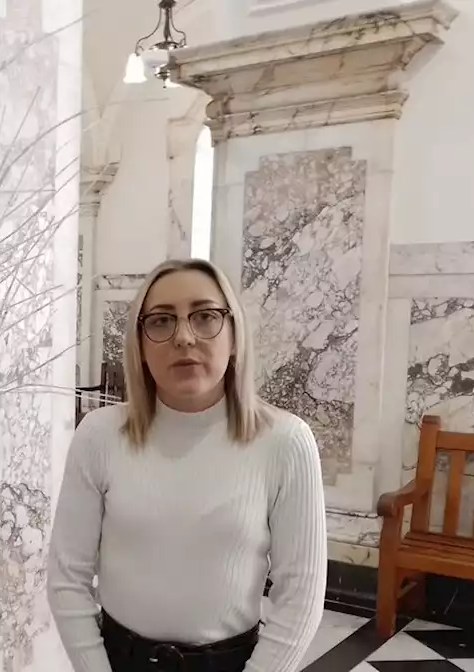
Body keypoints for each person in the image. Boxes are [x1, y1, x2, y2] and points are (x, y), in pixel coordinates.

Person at [48, 258, 326, 672]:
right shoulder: (99, 435)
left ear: (233, 336)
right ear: (140, 343)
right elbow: (67, 580)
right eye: (161, 321)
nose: (183, 337)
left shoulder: (285, 442)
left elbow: (301, 597)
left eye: (205, 316)